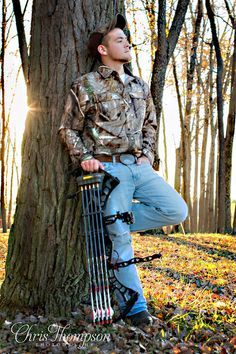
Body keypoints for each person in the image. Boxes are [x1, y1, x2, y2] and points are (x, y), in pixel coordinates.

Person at [59, 13, 188, 327]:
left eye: (126, 39)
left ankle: (111, 224)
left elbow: (151, 124)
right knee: (121, 240)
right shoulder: (86, 84)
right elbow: (68, 129)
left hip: (139, 168)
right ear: (103, 50)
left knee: (176, 210)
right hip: (109, 171)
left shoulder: (139, 85)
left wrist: (146, 154)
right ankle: (135, 310)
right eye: (119, 39)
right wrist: (85, 158)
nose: (127, 43)